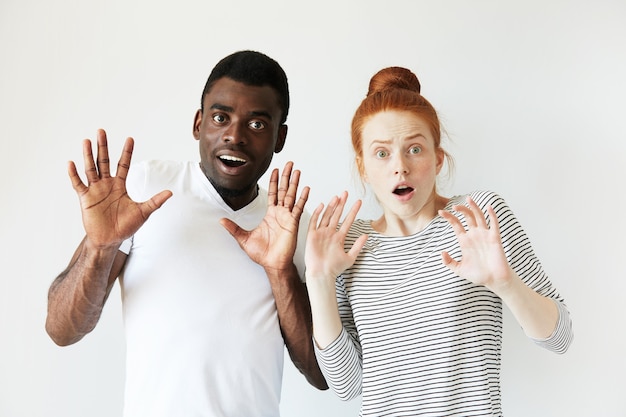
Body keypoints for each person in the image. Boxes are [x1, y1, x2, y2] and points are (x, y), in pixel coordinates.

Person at [45, 50, 327, 417]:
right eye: (221, 117)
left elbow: (322, 375)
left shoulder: (294, 226)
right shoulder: (148, 187)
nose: (235, 136)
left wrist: (280, 271)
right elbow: (62, 330)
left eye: (257, 124)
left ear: (280, 137)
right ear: (198, 123)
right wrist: (101, 247)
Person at [304, 66, 573, 416]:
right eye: (382, 153)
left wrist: (505, 284)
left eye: (414, 149)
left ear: (437, 158)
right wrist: (319, 280)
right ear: (364, 168)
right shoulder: (347, 244)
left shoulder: (479, 217)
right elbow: (349, 385)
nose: (400, 167)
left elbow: (560, 337)